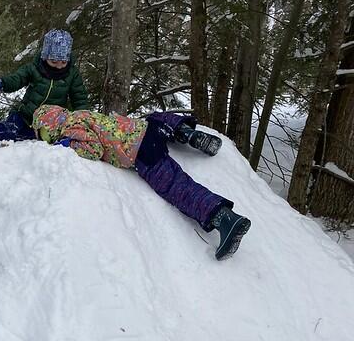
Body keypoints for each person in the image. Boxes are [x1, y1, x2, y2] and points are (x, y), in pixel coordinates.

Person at [33, 104, 252, 259]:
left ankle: (223, 218)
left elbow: (93, 148)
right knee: (157, 119)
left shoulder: (71, 129)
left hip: (139, 151)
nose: (43, 138)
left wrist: (66, 146)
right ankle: (185, 132)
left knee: (175, 185)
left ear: (49, 126)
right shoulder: (80, 114)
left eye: (42, 133)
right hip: (144, 129)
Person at [0, 29, 89, 142]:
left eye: (63, 62)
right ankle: (9, 131)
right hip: (25, 115)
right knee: (5, 133)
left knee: (44, 138)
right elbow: (17, 79)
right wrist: (1, 84)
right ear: (45, 56)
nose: (59, 66)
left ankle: (31, 135)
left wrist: (82, 121)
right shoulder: (34, 68)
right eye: (54, 62)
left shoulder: (72, 74)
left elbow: (80, 99)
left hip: (50, 121)